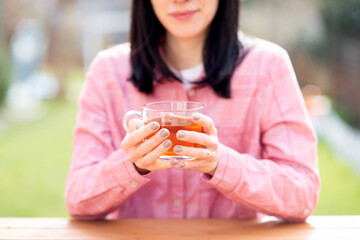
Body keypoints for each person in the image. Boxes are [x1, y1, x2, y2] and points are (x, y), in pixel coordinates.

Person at [65, 0, 320, 221]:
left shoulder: (268, 66)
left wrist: (220, 163)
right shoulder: (108, 71)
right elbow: (79, 200)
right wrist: (131, 163)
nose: (180, 0)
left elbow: (303, 193)